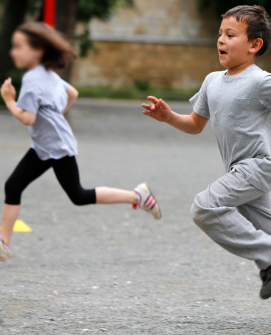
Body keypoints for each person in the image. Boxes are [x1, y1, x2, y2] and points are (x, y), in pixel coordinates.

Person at [142, 5, 271, 330]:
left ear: (254, 45)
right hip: (239, 170)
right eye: (220, 33)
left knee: (204, 207)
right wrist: (168, 117)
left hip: (258, 167)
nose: (221, 39)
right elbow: (194, 124)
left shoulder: (260, 81)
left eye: (230, 35)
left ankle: (270, 255)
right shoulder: (212, 81)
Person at [0, 22, 161, 262]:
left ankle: (137, 196)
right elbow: (72, 93)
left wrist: (9, 101)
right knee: (13, 186)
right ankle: (3, 243)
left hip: (57, 148)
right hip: (47, 146)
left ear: (37, 51)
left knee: (78, 195)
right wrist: (55, 120)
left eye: (18, 47)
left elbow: (28, 118)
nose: (13, 52)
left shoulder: (33, 80)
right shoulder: (48, 74)